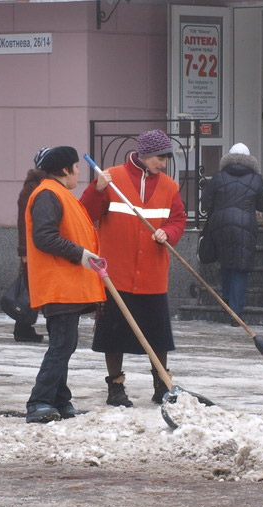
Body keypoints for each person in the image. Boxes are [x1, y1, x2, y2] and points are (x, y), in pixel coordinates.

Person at [81, 129, 187, 407]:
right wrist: (97, 189)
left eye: (165, 158)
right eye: (160, 158)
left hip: (153, 273)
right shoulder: (111, 178)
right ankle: (115, 387)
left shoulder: (169, 187)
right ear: (145, 154)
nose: (163, 164)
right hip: (116, 273)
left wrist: (169, 233)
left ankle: (161, 384)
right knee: (113, 335)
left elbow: (178, 219)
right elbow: (86, 214)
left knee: (158, 336)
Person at [25, 146, 106, 424]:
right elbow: (44, 237)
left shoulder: (60, 194)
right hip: (58, 284)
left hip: (67, 284)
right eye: (76, 166)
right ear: (64, 170)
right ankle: (39, 401)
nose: (78, 172)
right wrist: (81, 254)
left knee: (65, 344)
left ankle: (60, 399)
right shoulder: (48, 194)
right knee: (61, 345)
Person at [199, 143, 263, 323]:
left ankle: (227, 302)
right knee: (240, 267)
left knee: (226, 263)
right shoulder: (256, 179)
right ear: (250, 160)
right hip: (245, 225)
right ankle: (235, 312)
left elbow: (206, 203)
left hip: (220, 224)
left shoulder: (218, 177)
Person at [12, 148, 49, 343]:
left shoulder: (42, 185)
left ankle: (23, 328)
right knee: (30, 289)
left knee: (32, 289)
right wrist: (24, 252)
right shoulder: (33, 188)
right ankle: (23, 328)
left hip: (39, 247)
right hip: (34, 248)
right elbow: (23, 222)